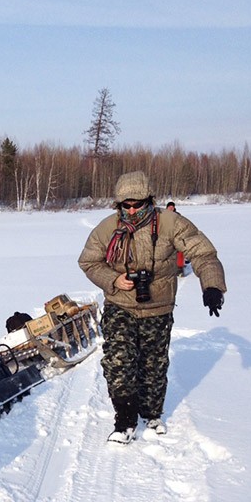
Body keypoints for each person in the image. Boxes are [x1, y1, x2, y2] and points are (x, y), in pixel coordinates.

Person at [78, 171, 226, 444]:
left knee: (153, 366)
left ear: (149, 200)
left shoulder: (170, 223)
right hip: (120, 305)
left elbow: (203, 253)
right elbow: (88, 262)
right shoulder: (108, 228)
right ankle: (124, 421)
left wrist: (212, 286)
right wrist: (113, 279)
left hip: (158, 307)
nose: (132, 210)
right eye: (126, 205)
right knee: (118, 361)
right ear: (119, 204)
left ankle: (152, 413)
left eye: (138, 204)